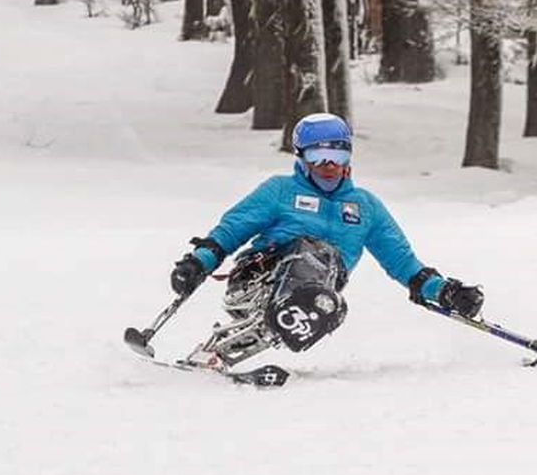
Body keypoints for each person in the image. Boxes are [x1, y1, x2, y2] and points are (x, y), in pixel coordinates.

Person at [168, 112, 484, 367]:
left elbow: (402, 262)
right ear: (302, 157)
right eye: (318, 156)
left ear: (348, 155)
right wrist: (198, 263)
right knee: (314, 252)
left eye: (336, 154)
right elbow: (232, 229)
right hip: (257, 280)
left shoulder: (365, 207)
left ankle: (215, 355)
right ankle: (285, 306)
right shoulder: (279, 190)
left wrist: (445, 292)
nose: (328, 165)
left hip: (316, 297)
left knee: (331, 300)